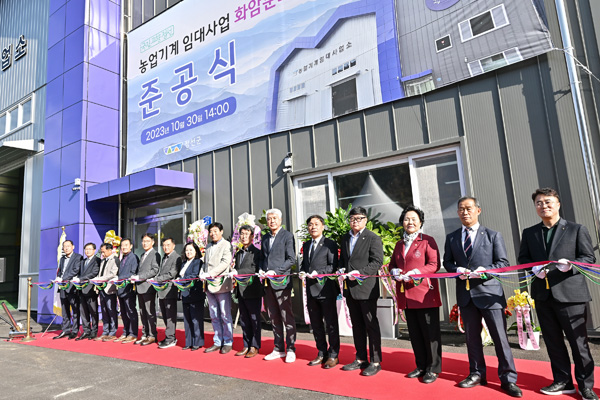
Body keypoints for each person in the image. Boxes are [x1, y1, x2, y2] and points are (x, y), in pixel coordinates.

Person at [518, 188, 597, 400]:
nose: (543, 206)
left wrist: (570, 266)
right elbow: (523, 259)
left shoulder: (576, 229)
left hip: (571, 296)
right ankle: (563, 381)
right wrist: (533, 269)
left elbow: (588, 258)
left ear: (558, 204)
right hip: (543, 296)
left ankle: (586, 385)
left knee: (578, 343)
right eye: (539, 203)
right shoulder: (530, 233)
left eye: (548, 202)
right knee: (553, 342)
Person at [443, 197, 522, 398]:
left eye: (469, 208)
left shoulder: (493, 235)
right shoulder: (452, 237)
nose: (465, 212)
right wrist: (456, 270)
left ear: (478, 210)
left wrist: (485, 271)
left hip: (490, 294)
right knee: (472, 338)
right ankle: (477, 373)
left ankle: (508, 378)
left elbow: (502, 263)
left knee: (500, 338)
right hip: (466, 295)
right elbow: (447, 262)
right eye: (461, 209)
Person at [389, 206, 441, 383]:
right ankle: (421, 366)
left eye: (413, 219)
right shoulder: (399, 244)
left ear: (420, 222)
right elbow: (392, 265)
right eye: (406, 219)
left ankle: (433, 368)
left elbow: (434, 265)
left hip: (425, 294)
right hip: (406, 296)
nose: (409, 222)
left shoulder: (427, 241)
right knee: (415, 333)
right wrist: (394, 271)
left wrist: (416, 272)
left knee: (430, 334)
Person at [340, 206, 384, 376]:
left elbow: (377, 262)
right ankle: (360, 358)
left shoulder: (372, 238)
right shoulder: (345, 238)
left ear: (365, 220)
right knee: (357, 325)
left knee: (370, 325)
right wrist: (341, 269)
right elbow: (344, 260)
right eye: (352, 218)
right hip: (350, 289)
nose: (355, 221)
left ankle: (375, 361)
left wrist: (361, 273)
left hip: (366, 288)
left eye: (359, 218)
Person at [300, 215, 340, 369]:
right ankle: (321, 352)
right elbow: (305, 265)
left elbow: (332, 266)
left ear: (322, 226)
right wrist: (302, 272)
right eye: (310, 224)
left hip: (325, 289)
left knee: (331, 324)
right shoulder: (306, 244)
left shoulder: (330, 244)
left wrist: (319, 273)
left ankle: (333, 354)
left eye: (316, 224)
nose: (313, 227)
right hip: (310, 290)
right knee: (316, 324)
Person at [260, 208, 297, 363]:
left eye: (274, 218)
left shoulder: (287, 236)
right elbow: (263, 258)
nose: (272, 221)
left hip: (281, 282)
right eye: (269, 218)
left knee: (286, 316)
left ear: (280, 220)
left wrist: (276, 271)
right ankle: (278, 348)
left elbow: (291, 259)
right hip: (268, 283)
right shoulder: (265, 237)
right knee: (273, 317)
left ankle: (291, 349)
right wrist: (261, 269)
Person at [201, 222, 234, 354]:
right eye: (211, 231)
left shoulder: (226, 245)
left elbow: (225, 262)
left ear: (221, 231)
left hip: (221, 284)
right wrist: (202, 273)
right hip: (209, 285)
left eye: (215, 231)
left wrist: (211, 273)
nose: (213, 234)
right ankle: (217, 341)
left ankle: (228, 341)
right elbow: (205, 264)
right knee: (214, 314)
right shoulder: (208, 246)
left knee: (225, 315)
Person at [232, 224, 263, 358]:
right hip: (240, 291)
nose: (244, 237)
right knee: (244, 320)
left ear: (252, 236)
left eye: (246, 234)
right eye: (242, 234)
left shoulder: (257, 252)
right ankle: (246, 344)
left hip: (252, 290)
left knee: (254, 319)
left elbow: (254, 269)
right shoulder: (238, 253)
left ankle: (254, 346)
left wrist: (237, 272)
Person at [130, 233, 160, 346]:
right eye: (143, 241)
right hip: (140, 287)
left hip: (148, 287)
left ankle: (152, 335)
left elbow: (154, 270)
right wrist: (135, 277)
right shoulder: (142, 255)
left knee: (150, 312)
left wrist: (140, 277)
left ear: (153, 242)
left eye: (147, 241)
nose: (144, 243)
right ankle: (145, 334)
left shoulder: (155, 254)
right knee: (142, 313)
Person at [154, 237, 181, 349]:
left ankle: (171, 338)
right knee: (164, 315)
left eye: (168, 245)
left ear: (173, 246)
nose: (166, 247)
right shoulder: (164, 257)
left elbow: (172, 273)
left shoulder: (177, 257)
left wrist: (157, 279)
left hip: (170, 290)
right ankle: (169, 336)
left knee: (170, 316)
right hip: (161, 290)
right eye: (164, 245)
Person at [54, 240, 84, 340]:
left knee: (75, 310)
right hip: (62, 287)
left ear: (73, 247)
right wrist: (59, 278)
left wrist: (63, 278)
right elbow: (60, 271)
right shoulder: (62, 258)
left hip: (72, 287)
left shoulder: (78, 257)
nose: (66, 248)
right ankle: (65, 329)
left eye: (68, 246)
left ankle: (75, 330)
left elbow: (76, 270)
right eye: (64, 246)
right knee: (64, 310)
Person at [179, 241, 205, 351]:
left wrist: (180, 280)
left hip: (195, 293)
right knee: (187, 319)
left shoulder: (198, 262)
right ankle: (188, 342)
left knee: (196, 319)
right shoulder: (183, 263)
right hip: (185, 293)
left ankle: (197, 342)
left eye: (191, 250)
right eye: (186, 250)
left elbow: (194, 275)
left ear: (196, 251)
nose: (188, 252)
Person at [114, 238, 139, 344]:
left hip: (128, 289)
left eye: (126, 245)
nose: (124, 247)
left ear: (131, 246)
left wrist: (118, 278)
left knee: (131, 311)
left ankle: (133, 334)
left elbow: (133, 273)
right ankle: (126, 332)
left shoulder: (134, 257)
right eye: (122, 245)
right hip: (121, 290)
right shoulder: (122, 258)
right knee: (123, 313)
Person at [94, 243, 120, 342]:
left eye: (104, 252)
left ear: (110, 250)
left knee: (111, 310)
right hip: (101, 288)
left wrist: (100, 279)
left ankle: (112, 332)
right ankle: (105, 332)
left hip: (110, 289)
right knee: (104, 311)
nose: (102, 254)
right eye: (101, 252)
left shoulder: (115, 259)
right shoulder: (103, 261)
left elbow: (113, 274)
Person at [74, 242, 100, 340]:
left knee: (93, 311)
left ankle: (94, 331)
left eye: (90, 249)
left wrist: (81, 279)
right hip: (81, 289)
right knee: (83, 311)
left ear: (94, 250)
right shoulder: (83, 261)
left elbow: (94, 273)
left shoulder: (97, 260)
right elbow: (79, 273)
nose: (87, 251)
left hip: (91, 289)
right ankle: (86, 331)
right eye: (86, 249)